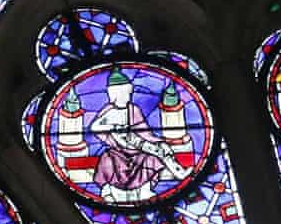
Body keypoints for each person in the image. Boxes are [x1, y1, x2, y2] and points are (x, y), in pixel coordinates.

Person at [53, 69, 193, 203]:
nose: (126, 96)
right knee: (107, 160)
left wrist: (157, 142)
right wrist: (114, 129)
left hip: (139, 149)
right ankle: (109, 191)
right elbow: (95, 127)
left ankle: (146, 189)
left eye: (127, 93)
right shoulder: (109, 110)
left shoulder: (134, 109)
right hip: (118, 152)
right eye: (122, 93)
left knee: (151, 158)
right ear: (113, 95)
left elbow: (144, 130)